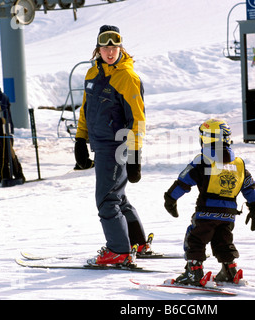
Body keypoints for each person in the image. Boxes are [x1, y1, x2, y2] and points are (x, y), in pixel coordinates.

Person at [76, 25, 148, 266]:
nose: (110, 52)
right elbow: (85, 110)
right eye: (105, 47)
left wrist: (135, 156)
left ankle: (119, 251)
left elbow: (137, 119)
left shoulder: (127, 77)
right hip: (100, 144)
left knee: (107, 200)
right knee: (118, 197)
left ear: (120, 48)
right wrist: (80, 139)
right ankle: (136, 242)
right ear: (98, 48)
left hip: (118, 146)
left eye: (114, 47)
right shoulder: (91, 74)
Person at [163, 119, 255, 286]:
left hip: (206, 213)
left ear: (206, 139)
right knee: (223, 240)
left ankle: (194, 272)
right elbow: (249, 188)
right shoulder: (238, 164)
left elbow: (183, 182)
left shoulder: (203, 161)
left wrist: (170, 199)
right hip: (229, 215)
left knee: (195, 239)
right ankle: (230, 270)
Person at [0, 74, 25, 184]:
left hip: (3, 131)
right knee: (0, 156)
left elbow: (1, 115)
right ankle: (4, 175)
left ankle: (18, 174)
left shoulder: (1, 97)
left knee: (8, 154)